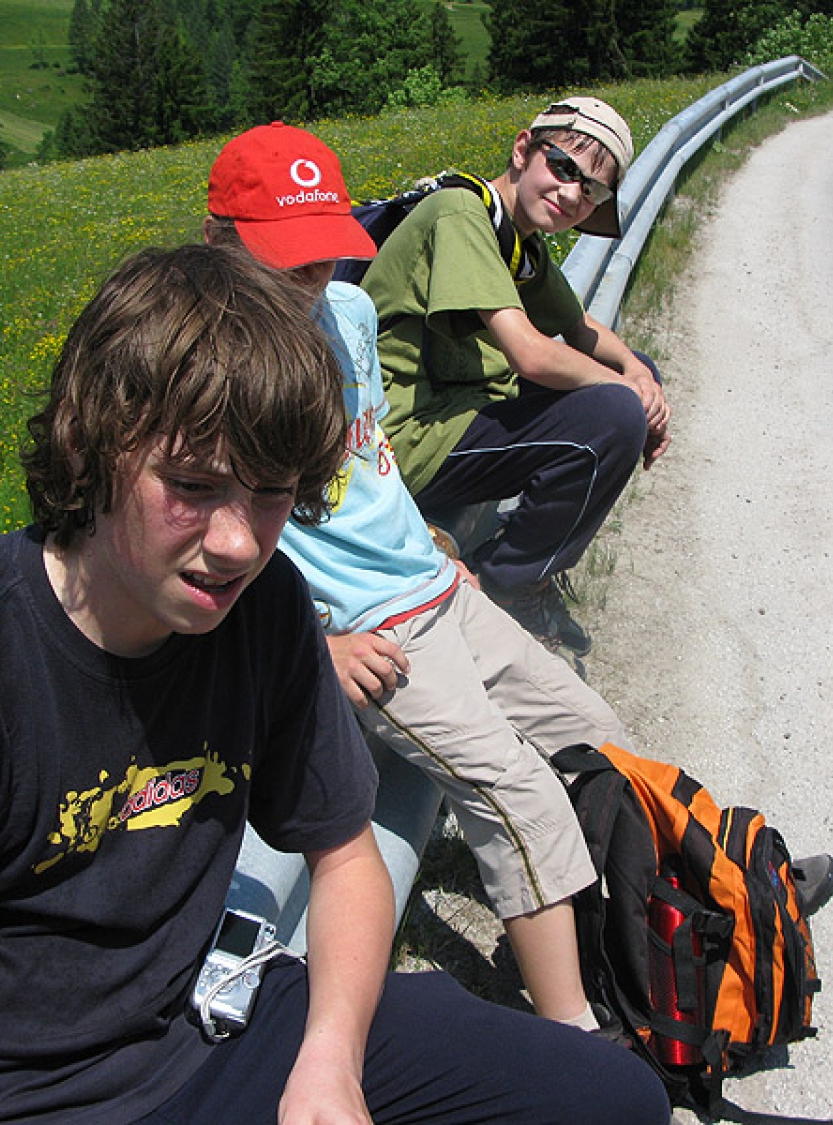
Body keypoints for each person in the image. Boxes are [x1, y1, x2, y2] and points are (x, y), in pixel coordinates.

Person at [0, 243, 673, 1124]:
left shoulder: (265, 604)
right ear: (92, 439)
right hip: (31, 1096)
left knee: (613, 1097)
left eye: (274, 493)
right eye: (194, 485)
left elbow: (346, 851)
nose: (239, 542)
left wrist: (329, 1058)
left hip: (227, 1011)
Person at [206, 122, 638, 1033]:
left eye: (322, 259)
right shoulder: (212, 381)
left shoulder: (349, 316)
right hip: (374, 632)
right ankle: (578, 1041)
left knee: (596, 740)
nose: (305, 284)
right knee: (517, 794)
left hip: (435, 587)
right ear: (218, 244)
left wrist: (436, 539)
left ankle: (651, 931)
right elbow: (216, 553)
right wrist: (315, 645)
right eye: (281, 263)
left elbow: (374, 464)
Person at [360, 96, 672, 660]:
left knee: (633, 380)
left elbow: (577, 328)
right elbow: (530, 355)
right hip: (408, 440)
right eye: (564, 167)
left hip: (461, 409)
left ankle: (526, 560)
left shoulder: (516, 239)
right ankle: (513, 581)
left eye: (594, 190)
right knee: (614, 415)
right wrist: (629, 396)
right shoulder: (461, 213)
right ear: (524, 149)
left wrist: (637, 374)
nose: (574, 194)